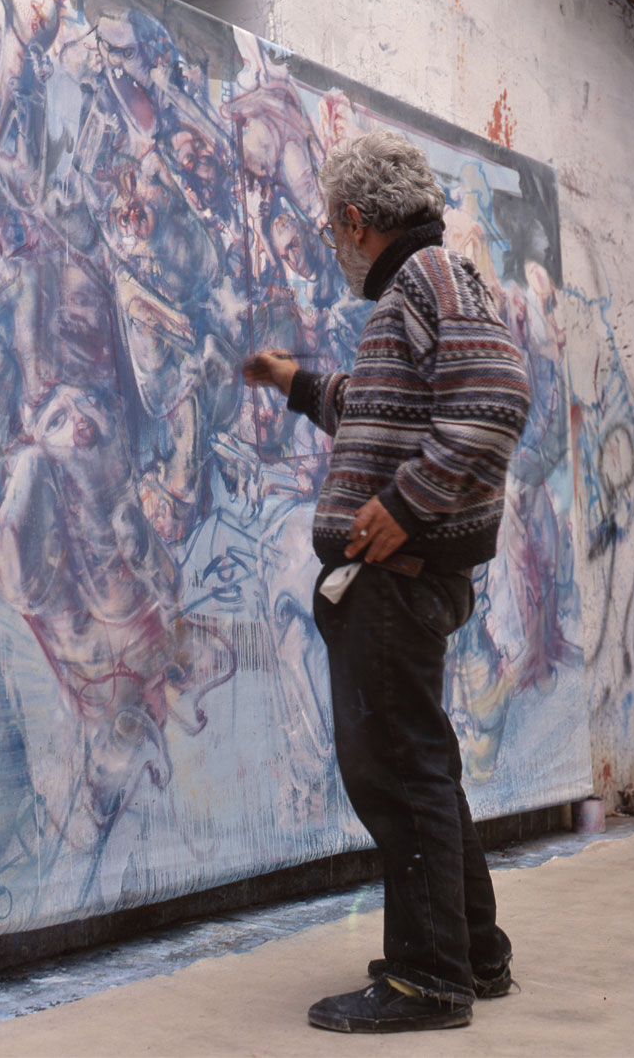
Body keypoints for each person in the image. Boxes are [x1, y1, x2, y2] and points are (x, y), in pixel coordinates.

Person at [243, 130, 531, 1034]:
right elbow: (379, 409)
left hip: (395, 582)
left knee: (399, 774)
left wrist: (404, 506)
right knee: (424, 768)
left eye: (334, 232)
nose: (334, 248)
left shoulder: (429, 280)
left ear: (357, 222)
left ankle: (426, 979)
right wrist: (297, 385)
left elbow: (495, 405)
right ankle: (474, 953)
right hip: (399, 583)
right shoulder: (428, 289)